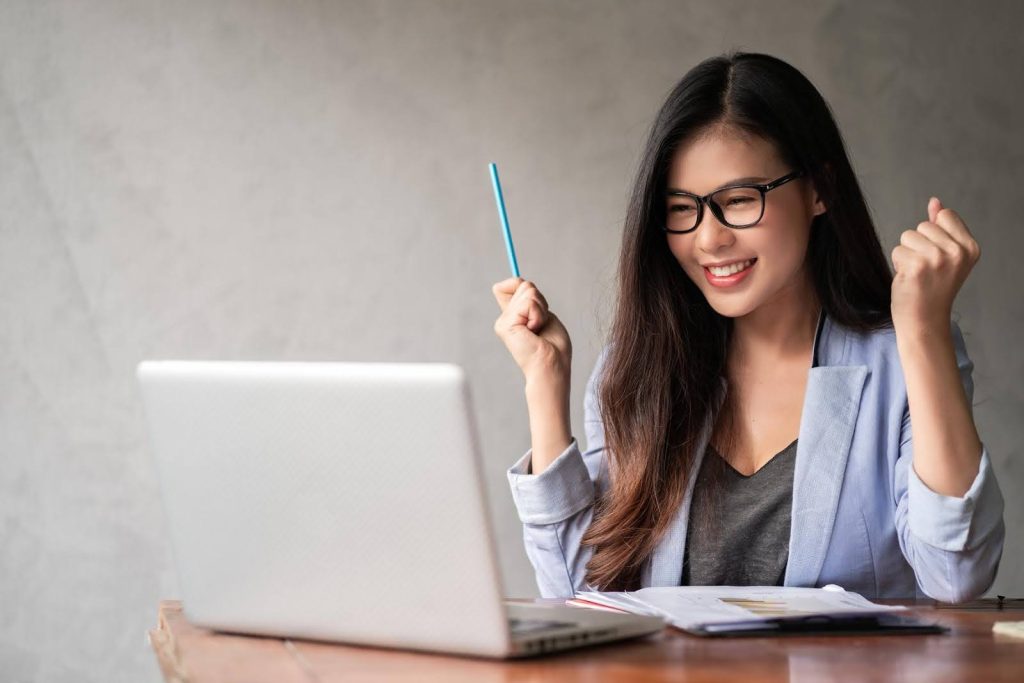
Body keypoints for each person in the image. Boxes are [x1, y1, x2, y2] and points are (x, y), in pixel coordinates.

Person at [491, 52, 1004, 602]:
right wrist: (545, 388)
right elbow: (579, 593)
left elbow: (955, 574)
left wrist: (922, 332)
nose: (709, 239)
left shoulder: (900, 354)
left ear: (818, 190)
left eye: (738, 201)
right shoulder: (639, 366)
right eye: (682, 208)